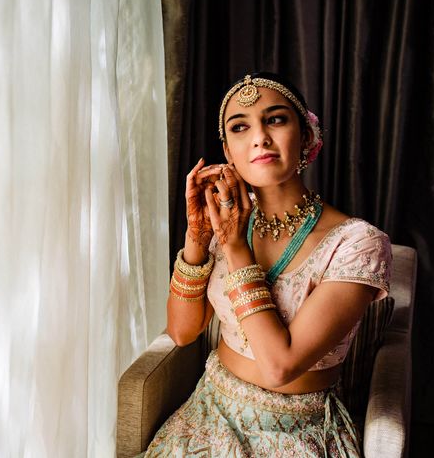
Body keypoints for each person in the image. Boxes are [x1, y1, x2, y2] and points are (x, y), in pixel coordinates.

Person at [143, 72, 391, 457]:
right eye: (240, 127)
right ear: (228, 152)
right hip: (210, 415)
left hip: (299, 433)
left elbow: (280, 367)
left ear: (306, 136)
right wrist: (197, 236)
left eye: (275, 119)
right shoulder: (228, 222)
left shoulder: (357, 243)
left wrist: (236, 246)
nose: (259, 136)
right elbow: (181, 331)